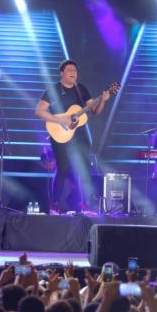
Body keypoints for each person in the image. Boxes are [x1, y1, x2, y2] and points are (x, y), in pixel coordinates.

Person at [34, 60, 110, 213]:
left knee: (84, 169)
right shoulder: (53, 90)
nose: (73, 72)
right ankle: (55, 205)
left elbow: (94, 111)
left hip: (79, 136)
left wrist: (102, 100)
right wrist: (60, 120)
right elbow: (39, 111)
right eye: (69, 70)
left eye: (74, 70)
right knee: (62, 169)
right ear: (62, 73)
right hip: (60, 134)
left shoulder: (81, 90)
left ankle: (85, 205)